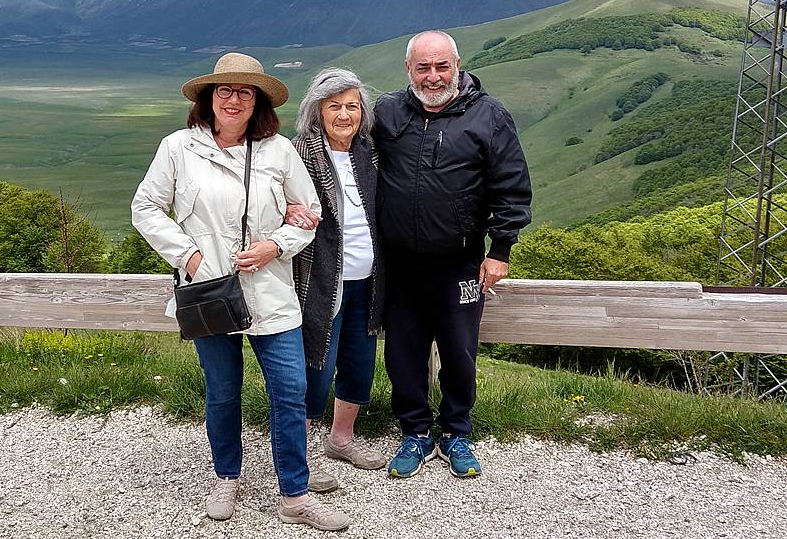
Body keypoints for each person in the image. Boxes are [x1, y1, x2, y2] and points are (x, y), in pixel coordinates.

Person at [130, 52, 349, 531]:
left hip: (270, 291)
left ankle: (294, 493)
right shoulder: (177, 148)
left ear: (259, 102)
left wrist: (276, 244)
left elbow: (309, 211)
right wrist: (188, 257)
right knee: (223, 391)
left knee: (290, 391)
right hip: (208, 291)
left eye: (244, 92)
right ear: (209, 98)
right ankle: (227, 476)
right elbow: (145, 207)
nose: (233, 99)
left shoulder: (277, 151)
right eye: (224, 91)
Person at [372, 30, 532, 478]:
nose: (433, 75)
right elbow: (341, 146)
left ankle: (457, 432)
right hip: (399, 262)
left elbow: (512, 186)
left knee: (460, 350)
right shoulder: (387, 111)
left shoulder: (489, 115)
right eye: (423, 67)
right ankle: (416, 432)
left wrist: (500, 249)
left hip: (460, 260)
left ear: (457, 65)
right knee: (402, 352)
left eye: (442, 66)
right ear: (409, 69)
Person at [288, 68, 388, 489]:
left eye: (352, 106)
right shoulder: (299, 152)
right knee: (315, 362)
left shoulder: (371, 150)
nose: (344, 114)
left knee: (360, 358)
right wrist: (288, 210)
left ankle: (341, 439)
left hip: (368, 277)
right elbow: (277, 200)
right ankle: (300, 456)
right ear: (317, 110)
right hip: (320, 277)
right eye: (334, 106)